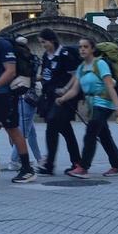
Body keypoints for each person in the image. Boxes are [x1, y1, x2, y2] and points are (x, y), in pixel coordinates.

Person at [0, 14, 37, 183]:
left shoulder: (1, 44)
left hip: (3, 95)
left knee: (7, 130)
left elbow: (10, 71)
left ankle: (26, 169)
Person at [58, 37, 118, 177]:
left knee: (91, 132)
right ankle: (117, 165)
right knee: (104, 135)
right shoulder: (82, 67)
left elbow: (109, 85)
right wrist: (62, 98)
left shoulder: (100, 64)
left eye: (85, 47)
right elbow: (75, 90)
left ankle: (83, 167)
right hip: (93, 104)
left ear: (92, 49)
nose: (82, 49)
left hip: (104, 103)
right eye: (80, 47)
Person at [34, 28, 81, 176]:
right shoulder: (46, 56)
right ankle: (76, 162)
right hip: (49, 97)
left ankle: (50, 164)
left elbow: (75, 74)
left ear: (52, 40)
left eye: (44, 42)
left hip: (64, 98)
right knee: (65, 130)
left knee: (52, 127)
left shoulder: (65, 54)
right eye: (41, 43)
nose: (43, 45)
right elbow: (46, 75)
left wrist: (66, 89)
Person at [9, 37, 43, 171]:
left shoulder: (13, 57)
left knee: (30, 130)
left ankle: (38, 158)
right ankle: (14, 160)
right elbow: (32, 77)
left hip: (17, 95)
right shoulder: (27, 57)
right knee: (24, 131)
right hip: (29, 96)